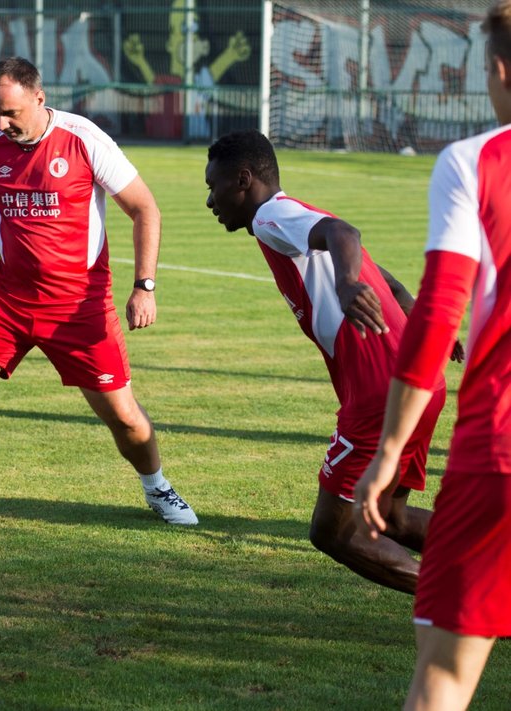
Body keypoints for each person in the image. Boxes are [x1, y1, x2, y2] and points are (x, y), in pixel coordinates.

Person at [0, 57, 197, 528]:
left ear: (38, 98)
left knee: (124, 417)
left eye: (10, 113)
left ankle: (158, 488)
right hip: (8, 299)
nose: (1, 123)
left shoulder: (83, 139)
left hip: (79, 306)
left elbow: (145, 209)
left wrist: (144, 286)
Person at [204, 128, 460, 593]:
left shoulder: (271, 217)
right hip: (420, 379)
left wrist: (344, 286)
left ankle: (467, 605)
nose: (209, 200)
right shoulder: (297, 215)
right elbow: (390, 283)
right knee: (390, 516)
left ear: (242, 180)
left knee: (333, 531)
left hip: (381, 391)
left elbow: (345, 233)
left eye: (212, 186)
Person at [355, 3, 511, 706]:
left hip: (496, 452)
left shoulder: (474, 161)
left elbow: (439, 310)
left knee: (443, 677)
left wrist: (388, 453)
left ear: (499, 71)